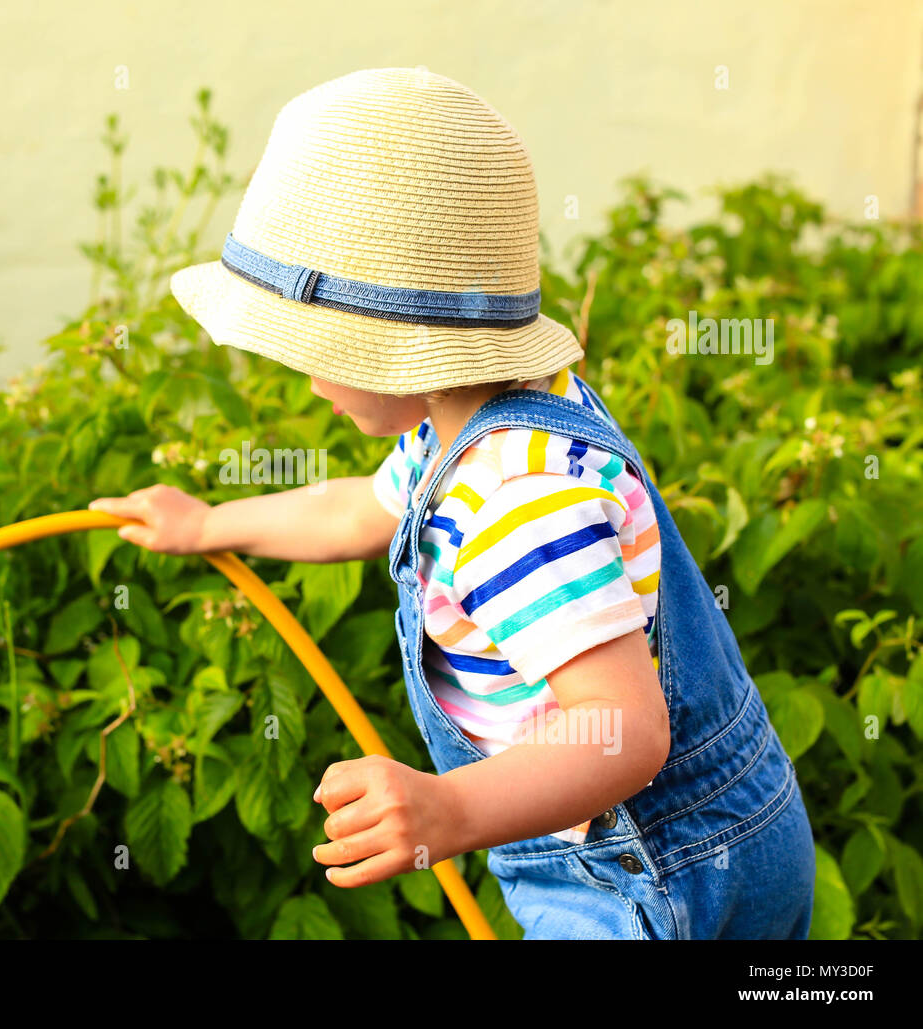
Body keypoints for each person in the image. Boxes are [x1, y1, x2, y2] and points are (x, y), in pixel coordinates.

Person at [90, 67, 816, 939]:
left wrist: (447, 810)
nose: (309, 376)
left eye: (321, 350)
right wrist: (209, 523)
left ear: (410, 348)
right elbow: (360, 509)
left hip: (647, 879)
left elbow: (624, 727)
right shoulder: (481, 422)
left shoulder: (514, 500)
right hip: (728, 830)